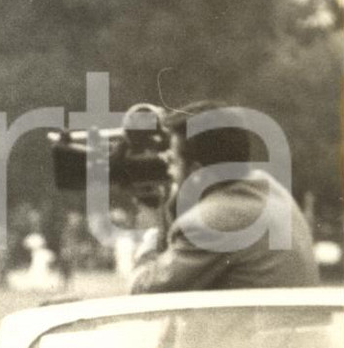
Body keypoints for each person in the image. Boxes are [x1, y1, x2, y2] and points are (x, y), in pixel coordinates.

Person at [130, 101, 319, 293]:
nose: (168, 171)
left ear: (198, 174)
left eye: (172, 160)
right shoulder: (268, 188)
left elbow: (142, 291)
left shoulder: (209, 223)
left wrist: (154, 225)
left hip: (261, 322)